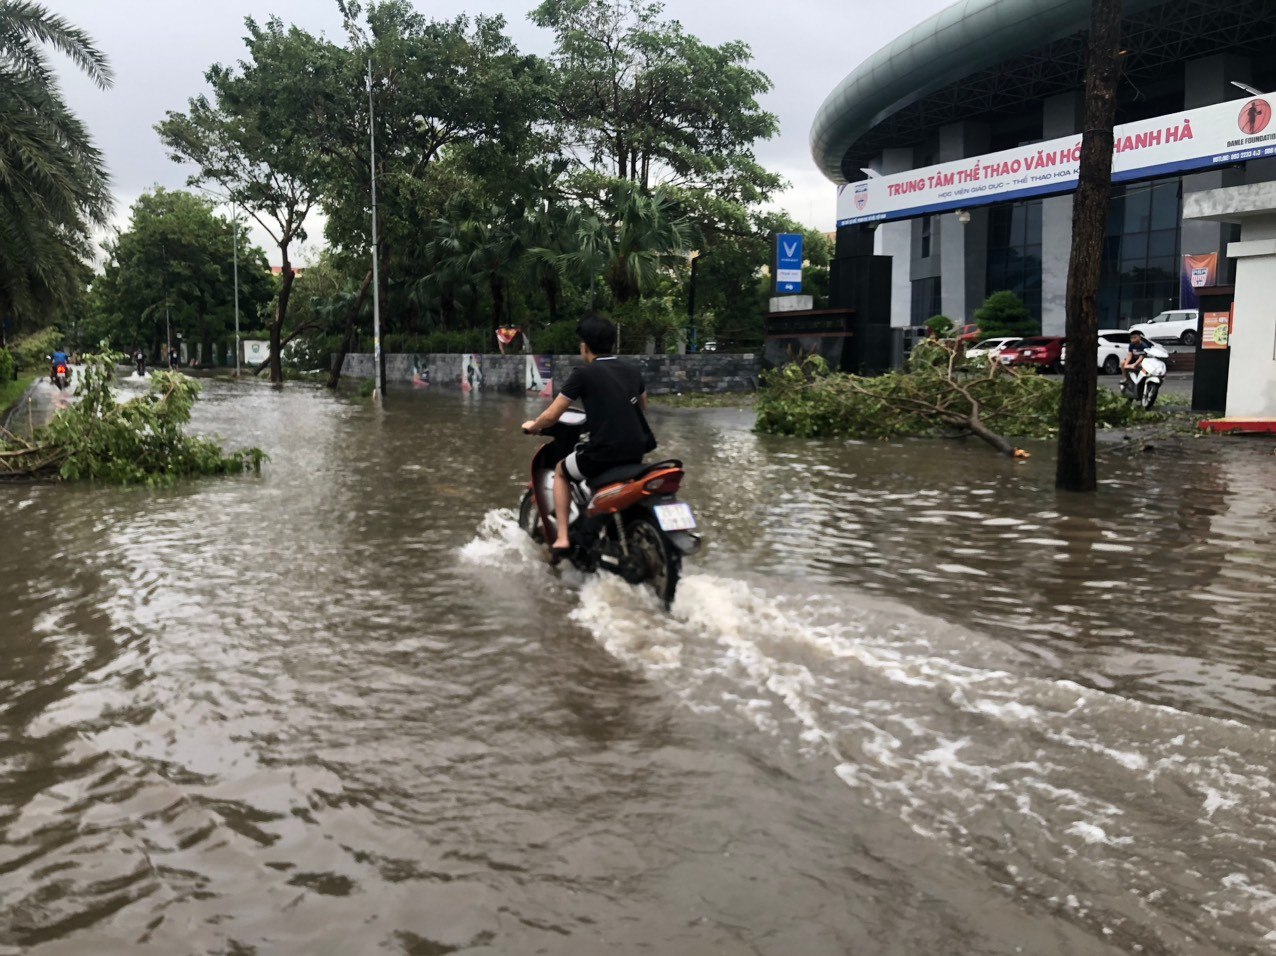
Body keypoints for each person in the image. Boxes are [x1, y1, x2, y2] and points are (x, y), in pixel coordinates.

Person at [521, 314, 655, 555]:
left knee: (562, 471)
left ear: (585, 346)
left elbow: (552, 415)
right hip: (637, 451)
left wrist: (534, 425)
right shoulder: (632, 370)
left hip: (605, 453)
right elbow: (643, 405)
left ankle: (562, 537)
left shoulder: (583, 373)